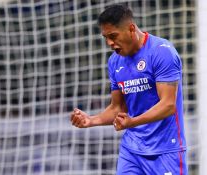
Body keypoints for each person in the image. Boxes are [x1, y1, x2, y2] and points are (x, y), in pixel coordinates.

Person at [71, 4, 188, 175]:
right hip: (131, 151)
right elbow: (118, 108)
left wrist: (132, 122)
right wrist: (91, 120)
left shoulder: (161, 52)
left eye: (113, 36)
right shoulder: (114, 62)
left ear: (131, 29)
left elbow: (168, 105)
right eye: (105, 37)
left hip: (165, 150)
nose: (110, 43)